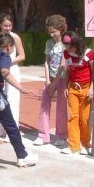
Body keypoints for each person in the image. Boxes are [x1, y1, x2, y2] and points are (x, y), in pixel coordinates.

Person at [0, 34, 38, 167]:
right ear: (10, 47)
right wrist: (21, 88)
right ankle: (22, 156)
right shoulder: (5, 56)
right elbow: (5, 72)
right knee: (11, 125)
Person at [33, 15, 68, 147]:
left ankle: (61, 135)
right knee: (44, 106)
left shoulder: (66, 43)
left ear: (61, 29)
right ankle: (43, 135)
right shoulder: (49, 43)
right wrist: (48, 81)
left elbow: (63, 65)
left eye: (54, 31)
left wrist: (54, 83)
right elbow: (46, 62)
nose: (51, 34)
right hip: (50, 79)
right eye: (49, 32)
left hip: (63, 78)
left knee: (61, 108)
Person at [58, 31, 94, 155]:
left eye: (67, 43)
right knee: (73, 116)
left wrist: (91, 88)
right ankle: (74, 145)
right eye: (64, 43)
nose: (66, 46)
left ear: (74, 42)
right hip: (73, 87)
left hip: (86, 87)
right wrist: (66, 86)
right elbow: (68, 70)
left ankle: (85, 143)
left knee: (84, 118)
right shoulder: (67, 54)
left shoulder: (88, 53)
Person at [0, 13, 25, 139]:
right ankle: (1, 129)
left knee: (13, 100)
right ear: (0, 25)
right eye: (4, 26)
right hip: (0, 74)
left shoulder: (15, 37)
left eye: (9, 25)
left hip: (12, 70)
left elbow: (22, 55)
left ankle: (12, 131)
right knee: (1, 100)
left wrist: (8, 62)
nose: (7, 28)